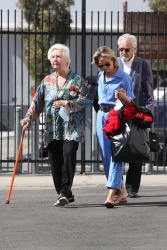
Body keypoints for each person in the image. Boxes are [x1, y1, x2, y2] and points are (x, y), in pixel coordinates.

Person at [21, 43, 92, 206]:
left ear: (66, 60)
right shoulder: (47, 81)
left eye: (58, 56)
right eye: (53, 57)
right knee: (55, 161)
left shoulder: (76, 79)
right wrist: (28, 119)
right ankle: (63, 192)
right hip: (52, 128)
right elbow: (37, 103)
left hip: (72, 127)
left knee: (68, 153)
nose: (55, 59)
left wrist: (68, 103)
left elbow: (87, 99)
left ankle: (65, 191)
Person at [92, 46, 135, 208]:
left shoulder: (124, 77)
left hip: (117, 116)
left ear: (113, 61)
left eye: (106, 64)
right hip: (101, 116)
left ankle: (111, 193)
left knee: (117, 155)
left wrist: (124, 97)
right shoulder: (100, 76)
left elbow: (131, 102)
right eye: (100, 65)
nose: (104, 68)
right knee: (105, 155)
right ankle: (121, 190)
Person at [117, 34, 153, 198]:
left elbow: (148, 91)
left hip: (136, 112)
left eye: (127, 49)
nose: (123, 52)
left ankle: (132, 187)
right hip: (117, 114)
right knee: (116, 150)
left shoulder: (142, 65)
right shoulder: (114, 64)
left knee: (136, 150)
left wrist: (147, 112)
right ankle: (118, 187)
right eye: (121, 49)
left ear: (134, 49)